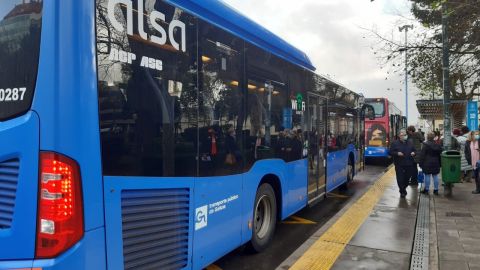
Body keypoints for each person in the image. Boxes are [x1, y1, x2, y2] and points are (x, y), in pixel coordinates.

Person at [390, 129, 417, 198]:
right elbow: (391, 152)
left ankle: (404, 187)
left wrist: (414, 153)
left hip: (409, 163)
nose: (404, 136)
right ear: (399, 136)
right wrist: (397, 153)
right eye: (403, 135)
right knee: (400, 178)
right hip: (399, 164)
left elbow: (415, 150)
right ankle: (402, 191)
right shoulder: (394, 143)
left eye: (405, 135)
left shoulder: (410, 142)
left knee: (407, 178)